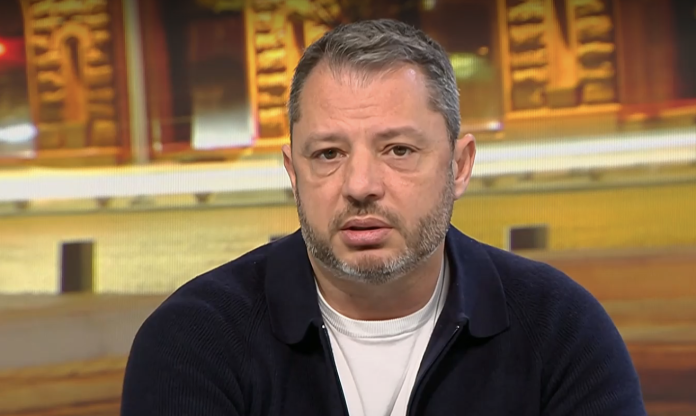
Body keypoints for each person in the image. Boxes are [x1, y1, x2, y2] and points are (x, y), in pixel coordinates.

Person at [120, 19, 647, 416]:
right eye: (328, 154)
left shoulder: (561, 330)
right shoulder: (193, 342)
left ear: (459, 166)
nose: (360, 185)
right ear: (293, 171)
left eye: (398, 150)